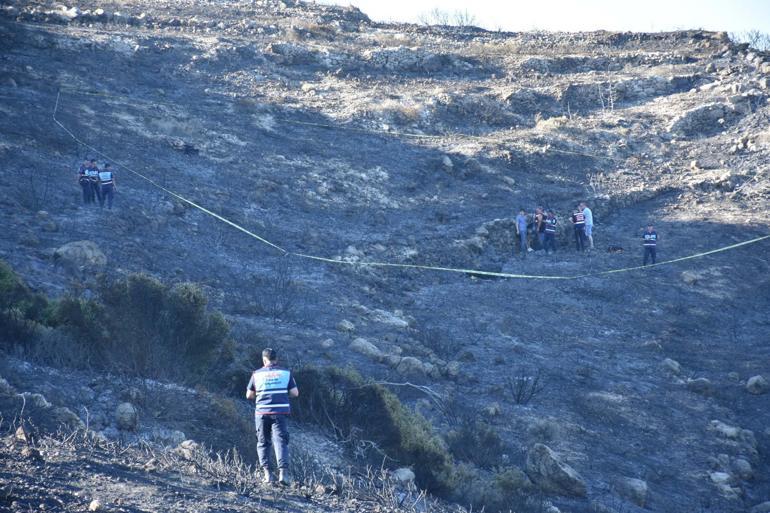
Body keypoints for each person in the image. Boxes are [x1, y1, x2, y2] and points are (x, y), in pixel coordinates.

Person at [246, 348, 299, 485]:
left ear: (264, 360)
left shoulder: (256, 374)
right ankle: (283, 475)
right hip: (280, 413)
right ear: (276, 359)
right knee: (280, 441)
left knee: (263, 442)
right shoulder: (286, 373)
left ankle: (268, 475)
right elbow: (295, 393)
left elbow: (249, 395)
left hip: (262, 413)